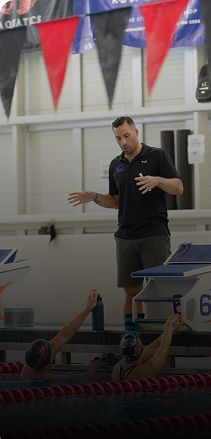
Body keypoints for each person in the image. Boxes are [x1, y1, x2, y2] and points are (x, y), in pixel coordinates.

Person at [67, 116, 183, 330]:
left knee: (159, 288)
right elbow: (116, 201)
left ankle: (163, 338)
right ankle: (132, 338)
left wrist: (158, 180)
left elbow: (178, 187)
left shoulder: (157, 155)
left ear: (136, 132)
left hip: (153, 233)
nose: (123, 142)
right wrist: (94, 197)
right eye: (118, 138)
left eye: (126, 136)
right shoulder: (116, 165)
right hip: (126, 236)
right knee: (132, 292)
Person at [20, 290, 108, 380]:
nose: (54, 345)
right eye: (52, 347)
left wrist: (88, 309)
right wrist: (94, 366)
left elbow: (64, 335)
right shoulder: (56, 379)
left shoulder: (29, 366)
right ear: (50, 359)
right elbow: (87, 378)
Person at [112, 313, 186, 382]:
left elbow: (150, 349)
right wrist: (168, 323)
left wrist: (171, 329)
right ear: (141, 349)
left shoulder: (118, 366)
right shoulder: (144, 370)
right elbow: (164, 346)